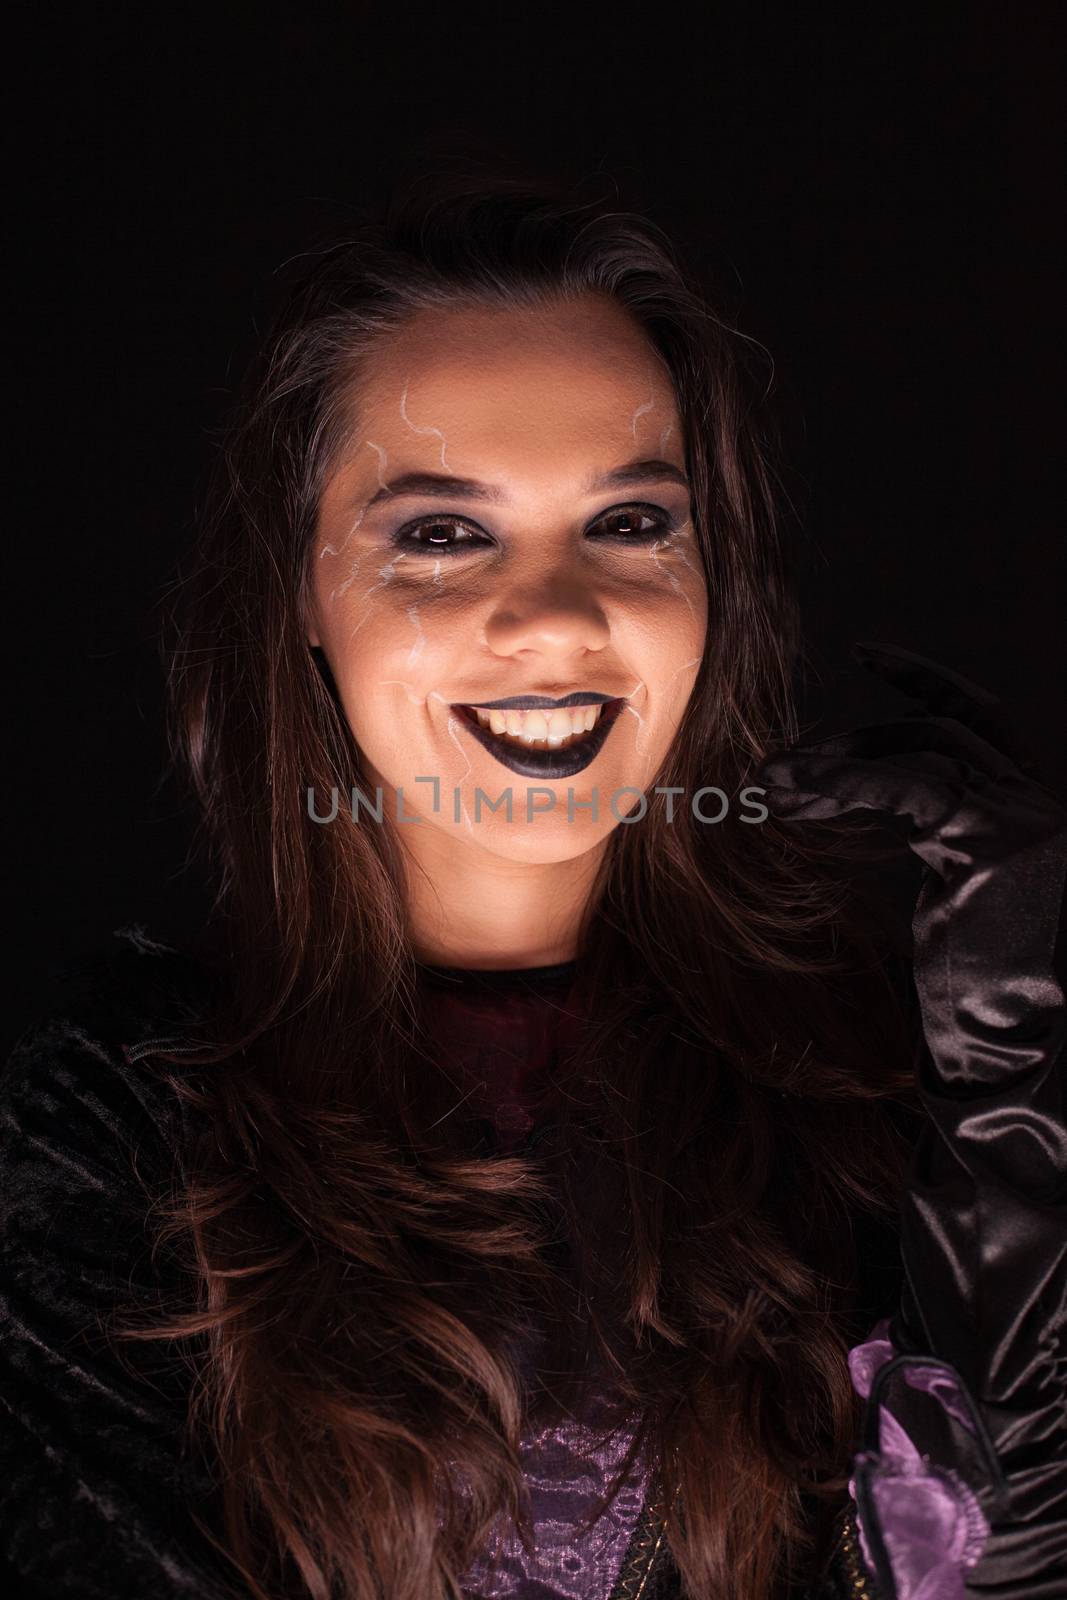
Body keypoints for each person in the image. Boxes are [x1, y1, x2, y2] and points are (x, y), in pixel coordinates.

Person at [2, 169, 1065, 1600]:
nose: (558, 616)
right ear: (301, 596)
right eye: (441, 534)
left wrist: (1018, 1109)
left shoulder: (874, 1092)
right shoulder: (119, 1137)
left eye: (631, 523)